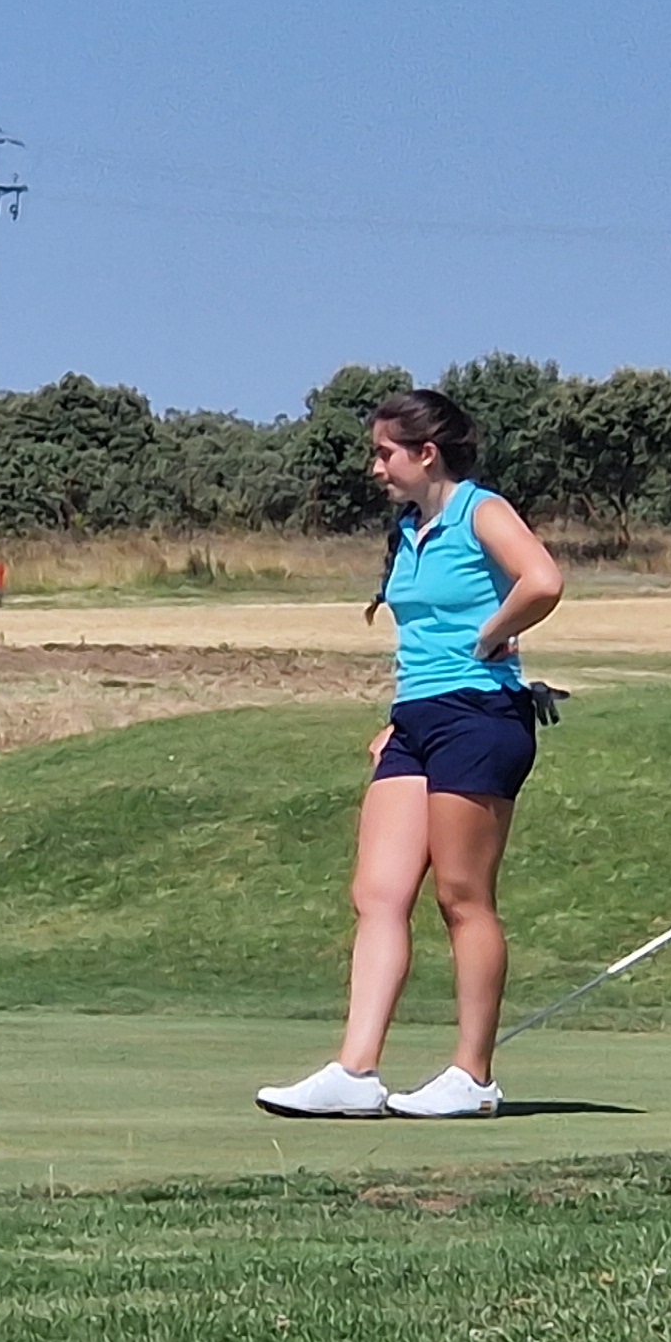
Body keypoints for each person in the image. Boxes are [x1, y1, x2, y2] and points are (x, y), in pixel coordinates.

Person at [258, 389, 566, 1119]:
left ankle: (473, 1076)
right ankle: (356, 1072)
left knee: (462, 898)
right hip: (416, 722)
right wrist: (397, 718)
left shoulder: (479, 510)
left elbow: (544, 580)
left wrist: (493, 635)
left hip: (481, 716)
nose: (376, 467)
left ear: (426, 454)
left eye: (385, 453)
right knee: (378, 893)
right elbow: (421, 634)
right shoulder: (409, 528)